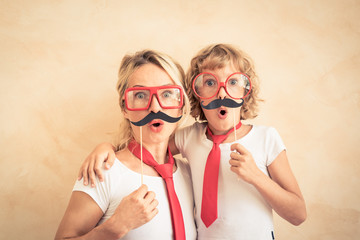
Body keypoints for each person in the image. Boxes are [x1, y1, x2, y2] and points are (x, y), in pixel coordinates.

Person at [78, 44, 307, 239]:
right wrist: (105, 148)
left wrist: (257, 177)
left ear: (246, 91)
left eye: (232, 82)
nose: (221, 93)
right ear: (194, 94)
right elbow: (148, 143)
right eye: (209, 83)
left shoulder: (266, 138)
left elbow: (298, 214)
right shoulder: (191, 137)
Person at [55, 50, 196, 239]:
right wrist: (115, 227)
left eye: (167, 93)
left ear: (182, 104)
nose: (155, 107)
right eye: (140, 95)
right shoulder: (103, 171)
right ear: (124, 108)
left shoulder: (191, 173)